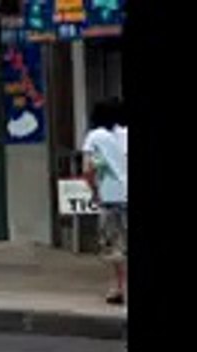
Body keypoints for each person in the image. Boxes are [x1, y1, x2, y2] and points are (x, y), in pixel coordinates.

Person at [82, 100, 128, 306]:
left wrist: (94, 192)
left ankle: (119, 288)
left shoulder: (95, 136)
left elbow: (89, 169)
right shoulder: (125, 134)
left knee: (115, 246)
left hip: (112, 196)